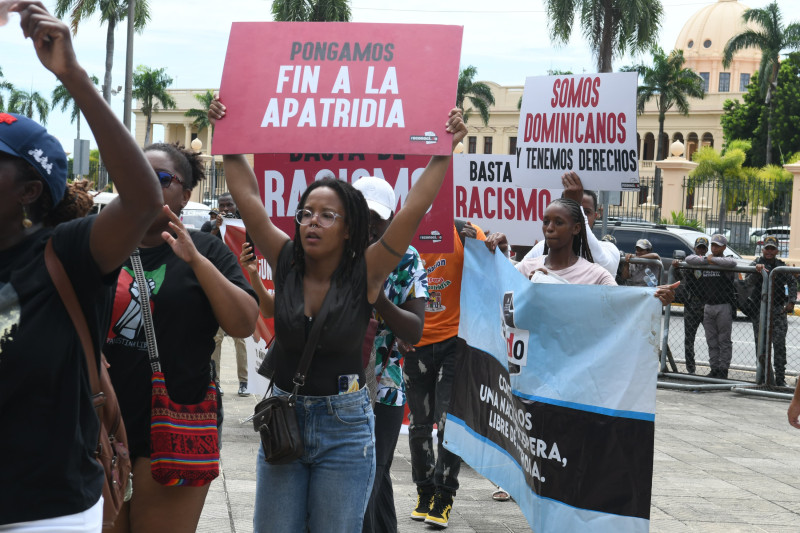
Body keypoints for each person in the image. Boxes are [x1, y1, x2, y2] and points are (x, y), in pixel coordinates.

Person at [209, 95, 466, 533]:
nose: (313, 221)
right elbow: (246, 194)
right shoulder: (285, 258)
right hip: (285, 417)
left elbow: (414, 207)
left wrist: (446, 147)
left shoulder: (367, 271)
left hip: (345, 428)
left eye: (328, 215)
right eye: (306, 213)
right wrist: (228, 135)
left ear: (349, 227)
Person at [0, 3, 163, 530]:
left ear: (28, 190)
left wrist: (73, 77)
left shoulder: (64, 253)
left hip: (46, 512)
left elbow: (142, 200)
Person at [104, 142, 259, 533]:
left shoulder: (207, 249)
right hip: (100, 423)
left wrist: (196, 261)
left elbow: (243, 323)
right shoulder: (98, 244)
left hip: (178, 423)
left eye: (159, 178)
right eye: (134, 175)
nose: (144, 185)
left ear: (185, 193)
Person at [352, 176, 428, 533]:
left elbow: (414, 329)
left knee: (374, 468)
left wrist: (377, 294)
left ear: (392, 218)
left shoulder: (409, 258)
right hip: (336, 381)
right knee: (356, 472)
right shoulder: (333, 251)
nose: (369, 226)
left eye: (377, 219)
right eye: (362, 216)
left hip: (385, 385)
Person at [405, 219, 486, 528]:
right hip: (417, 346)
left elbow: (493, 274)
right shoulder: (406, 232)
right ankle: (424, 492)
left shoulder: (466, 233)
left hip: (455, 344)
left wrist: (481, 247)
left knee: (449, 425)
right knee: (419, 426)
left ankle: (444, 496)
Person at [523, 171, 620, 276]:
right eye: (569, 211)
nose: (578, 217)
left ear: (595, 216)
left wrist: (577, 205)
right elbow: (513, 277)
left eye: (586, 212)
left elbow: (605, 268)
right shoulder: (542, 247)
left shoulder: (609, 249)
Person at [202, 192, 250, 396]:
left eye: (229, 205)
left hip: (238, 286)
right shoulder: (209, 225)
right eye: (221, 205)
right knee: (217, 338)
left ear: (236, 205)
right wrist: (216, 227)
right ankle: (216, 380)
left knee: (241, 338)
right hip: (217, 288)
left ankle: (244, 381)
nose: (225, 209)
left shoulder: (243, 224)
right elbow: (203, 248)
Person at [744, 235, 796, 386]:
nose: (769, 252)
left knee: (779, 346)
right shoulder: (756, 264)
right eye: (767, 248)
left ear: (777, 251)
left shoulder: (781, 266)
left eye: (772, 249)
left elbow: (792, 283)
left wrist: (791, 301)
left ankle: (780, 379)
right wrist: (756, 271)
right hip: (759, 311)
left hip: (778, 311)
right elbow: (747, 283)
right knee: (761, 346)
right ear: (763, 249)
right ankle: (764, 378)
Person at [685, 234, 737, 379]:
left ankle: (723, 370)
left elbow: (732, 263)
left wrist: (711, 260)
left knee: (724, 340)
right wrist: (707, 259)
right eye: (713, 245)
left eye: (718, 246)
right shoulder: (705, 260)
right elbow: (689, 259)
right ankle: (714, 368)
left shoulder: (724, 260)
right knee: (711, 340)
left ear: (724, 247)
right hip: (708, 306)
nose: (714, 248)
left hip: (723, 306)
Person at [672, 237, 709, 374]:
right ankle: (691, 370)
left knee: (711, 338)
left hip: (707, 305)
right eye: (699, 247)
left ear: (706, 249)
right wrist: (676, 267)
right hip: (691, 304)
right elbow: (680, 277)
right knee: (689, 339)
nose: (701, 250)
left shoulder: (710, 263)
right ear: (694, 248)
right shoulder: (689, 262)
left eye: (703, 248)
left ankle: (715, 369)